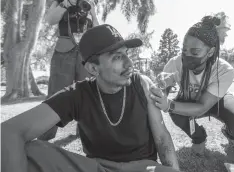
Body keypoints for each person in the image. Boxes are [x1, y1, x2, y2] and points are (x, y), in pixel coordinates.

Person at [1, 24, 181, 172]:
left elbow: (162, 138)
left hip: (142, 169)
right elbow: (8, 132)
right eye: (117, 57)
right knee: (32, 151)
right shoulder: (77, 94)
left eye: (126, 53)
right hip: (97, 168)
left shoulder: (142, 84)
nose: (129, 63)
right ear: (93, 69)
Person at [151, 15, 234, 155]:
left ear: (211, 52)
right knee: (175, 110)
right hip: (189, 101)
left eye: (195, 52)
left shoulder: (224, 70)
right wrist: (161, 87)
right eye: (184, 50)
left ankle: (231, 134)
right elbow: (160, 98)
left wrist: (169, 104)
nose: (187, 55)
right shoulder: (174, 63)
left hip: (218, 102)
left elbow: (202, 107)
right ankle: (198, 137)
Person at [39, 0, 100, 140]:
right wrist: (65, 4)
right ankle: (45, 135)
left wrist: (93, 11)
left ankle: (86, 133)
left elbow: (97, 30)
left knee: (88, 92)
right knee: (55, 93)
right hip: (63, 52)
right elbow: (50, 20)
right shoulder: (58, 2)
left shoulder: (89, 3)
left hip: (86, 54)